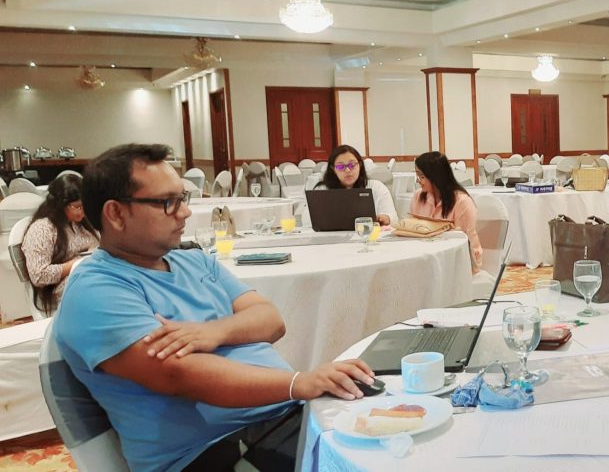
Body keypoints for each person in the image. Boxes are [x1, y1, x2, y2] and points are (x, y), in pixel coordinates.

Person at [54, 144, 375, 472]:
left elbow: (270, 320)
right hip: (213, 450)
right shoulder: (96, 290)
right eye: (168, 202)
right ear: (116, 214)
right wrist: (298, 383)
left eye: (183, 198)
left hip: (282, 418)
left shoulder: (193, 261)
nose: (184, 212)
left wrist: (212, 332)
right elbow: (178, 374)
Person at [21, 173, 99, 315]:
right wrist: (75, 264)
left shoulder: (78, 223)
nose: (83, 211)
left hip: (86, 277)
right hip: (65, 287)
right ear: (61, 205)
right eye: (78, 207)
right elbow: (38, 275)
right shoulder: (43, 228)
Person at [411, 151, 482, 271]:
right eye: (417, 175)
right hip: (427, 256)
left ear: (435, 177)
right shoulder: (418, 197)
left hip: (459, 260)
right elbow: (413, 230)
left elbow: (462, 241)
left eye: (422, 176)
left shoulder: (462, 202)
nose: (418, 180)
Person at [314, 144, 398, 226]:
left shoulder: (376, 187)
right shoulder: (322, 190)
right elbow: (310, 221)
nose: (347, 170)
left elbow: (392, 218)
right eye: (340, 166)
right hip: (330, 235)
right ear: (333, 169)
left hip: (367, 234)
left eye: (352, 165)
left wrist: (386, 218)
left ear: (360, 165)